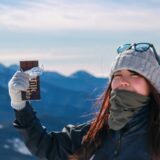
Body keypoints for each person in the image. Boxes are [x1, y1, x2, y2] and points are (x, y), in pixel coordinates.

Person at [8, 42, 160, 160]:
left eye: (135, 75)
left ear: (152, 85)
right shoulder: (93, 135)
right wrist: (20, 105)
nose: (123, 81)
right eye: (118, 74)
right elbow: (47, 147)